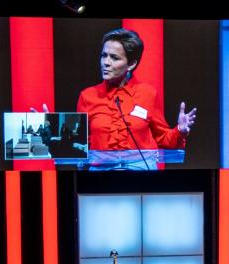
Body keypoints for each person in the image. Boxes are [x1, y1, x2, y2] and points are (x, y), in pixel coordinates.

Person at [76, 28, 197, 170]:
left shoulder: (148, 94)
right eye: (104, 55)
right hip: (102, 176)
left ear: (131, 64)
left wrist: (180, 130)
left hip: (141, 173)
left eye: (114, 58)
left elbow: (163, 139)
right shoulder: (88, 96)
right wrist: (51, 128)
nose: (106, 62)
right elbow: (78, 146)